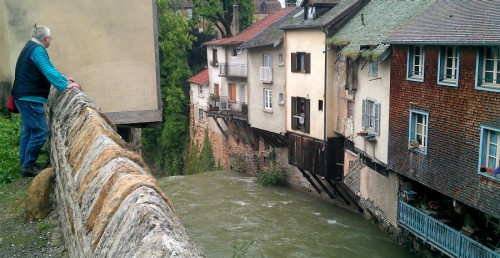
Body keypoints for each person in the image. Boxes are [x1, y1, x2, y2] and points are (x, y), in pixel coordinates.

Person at [11, 25, 79, 177]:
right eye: (51, 38)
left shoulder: (30, 46)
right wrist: (65, 86)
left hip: (22, 95)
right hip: (29, 97)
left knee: (28, 132)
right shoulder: (38, 50)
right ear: (46, 38)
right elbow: (48, 71)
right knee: (41, 131)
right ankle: (28, 166)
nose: (51, 40)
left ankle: (25, 164)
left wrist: (64, 79)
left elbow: (48, 68)